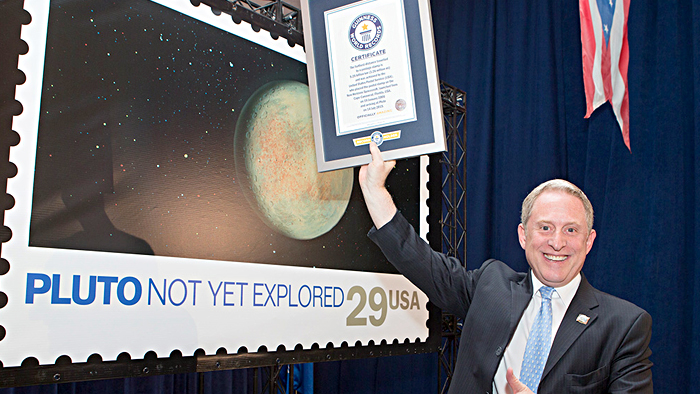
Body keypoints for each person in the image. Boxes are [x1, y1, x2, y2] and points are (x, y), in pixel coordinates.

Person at [359, 142, 653, 394]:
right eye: (545, 227)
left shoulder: (624, 325)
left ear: (589, 241)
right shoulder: (490, 285)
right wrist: (375, 191)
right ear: (523, 236)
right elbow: (420, 261)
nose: (557, 242)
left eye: (571, 230)